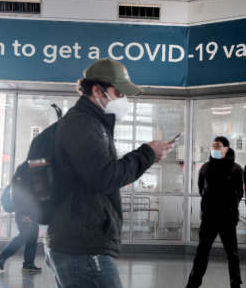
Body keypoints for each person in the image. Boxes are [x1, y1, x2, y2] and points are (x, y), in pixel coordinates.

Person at [44, 58, 172, 288]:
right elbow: (105, 177)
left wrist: (147, 155)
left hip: (81, 241)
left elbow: (101, 174)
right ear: (97, 90)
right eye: (119, 93)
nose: (124, 100)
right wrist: (147, 154)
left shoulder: (92, 124)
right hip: (83, 246)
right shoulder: (83, 124)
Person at [186, 136, 243, 288]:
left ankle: (235, 283)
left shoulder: (236, 169)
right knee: (202, 252)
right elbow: (201, 189)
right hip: (209, 218)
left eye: (218, 146)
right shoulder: (205, 167)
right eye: (213, 147)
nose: (215, 149)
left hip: (228, 218)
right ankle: (193, 282)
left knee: (232, 254)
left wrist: (228, 204)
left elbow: (239, 193)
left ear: (226, 148)